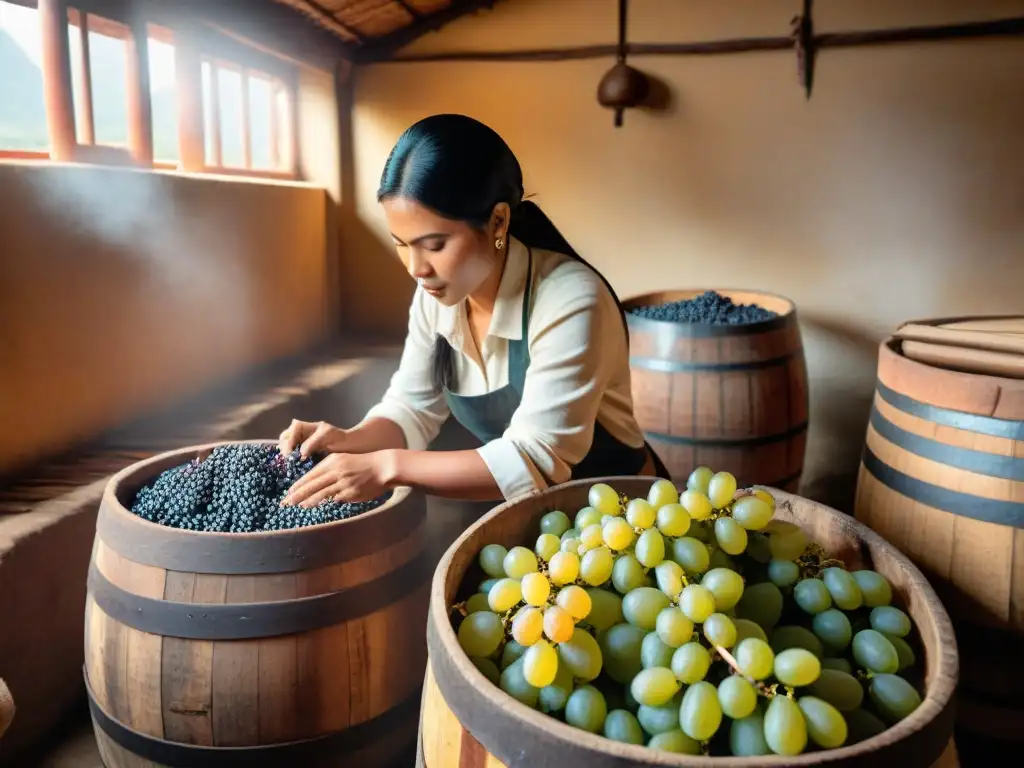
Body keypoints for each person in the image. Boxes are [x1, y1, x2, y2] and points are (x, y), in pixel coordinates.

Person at [281, 114, 668, 509]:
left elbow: (535, 458)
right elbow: (411, 409)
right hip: (536, 519)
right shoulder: (436, 298)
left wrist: (386, 466)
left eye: (434, 245)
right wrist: (347, 439)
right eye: (402, 244)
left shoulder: (570, 300)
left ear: (498, 221)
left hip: (626, 517)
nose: (416, 268)